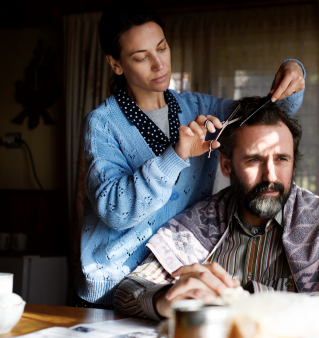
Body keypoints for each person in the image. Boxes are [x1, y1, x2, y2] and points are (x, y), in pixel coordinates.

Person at [76, 1, 306, 306]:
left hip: (173, 281)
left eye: (162, 48)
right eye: (141, 57)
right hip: (111, 288)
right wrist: (176, 155)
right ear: (116, 64)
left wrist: (294, 70)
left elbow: (270, 114)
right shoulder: (103, 123)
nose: (159, 65)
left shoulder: (198, 108)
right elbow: (115, 211)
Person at [114, 97, 319, 328]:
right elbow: (128, 291)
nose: (270, 175)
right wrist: (165, 300)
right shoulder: (200, 221)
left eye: (282, 159)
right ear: (227, 166)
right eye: (255, 160)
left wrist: (247, 301)